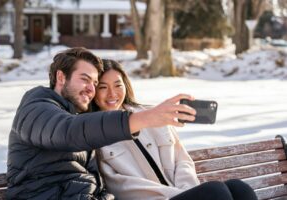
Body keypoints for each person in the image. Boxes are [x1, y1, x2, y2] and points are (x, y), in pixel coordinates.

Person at [6, 47, 196, 200]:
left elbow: (94, 183)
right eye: (85, 79)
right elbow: (68, 131)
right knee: (214, 193)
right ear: (61, 77)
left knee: (223, 189)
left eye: (95, 83)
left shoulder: (80, 119)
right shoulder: (36, 109)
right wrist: (145, 118)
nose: (91, 89)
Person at [94, 59, 258, 200]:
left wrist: (187, 192)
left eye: (118, 85)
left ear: (126, 85)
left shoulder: (152, 115)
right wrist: (174, 195)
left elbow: (182, 160)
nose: (112, 94)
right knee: (215, 192)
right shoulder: (93, 132)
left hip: (181, 193)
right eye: (103, 87)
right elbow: (120, 185)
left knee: (239, 188)